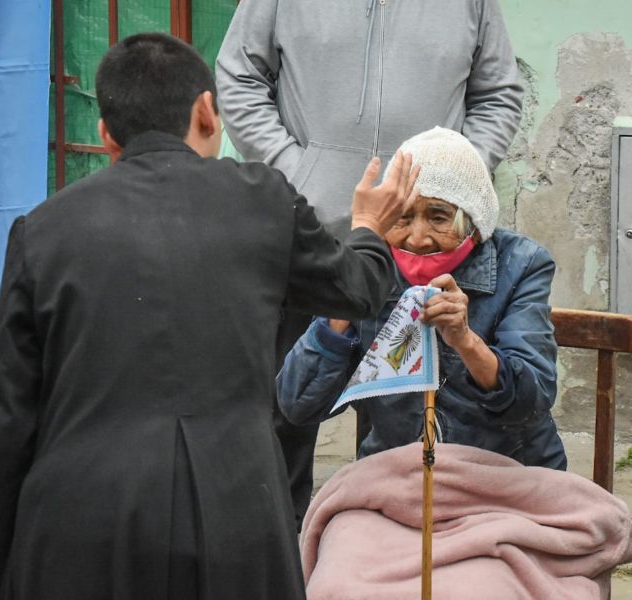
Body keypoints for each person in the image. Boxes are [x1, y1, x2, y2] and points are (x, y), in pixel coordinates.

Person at [0, 32, 416, 599]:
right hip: (234, 515)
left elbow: (4, 422)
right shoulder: (263, 199)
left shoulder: (41, 230)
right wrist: (368, 228)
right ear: (207, 112)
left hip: (77, 523)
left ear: (107, 135)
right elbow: (358, 291)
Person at [215, 0, 525, 524]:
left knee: (407, 414)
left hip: (423, 244)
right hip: (306, 232)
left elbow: (499, 93)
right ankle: (283, 560)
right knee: (286, 410)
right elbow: (239, 76)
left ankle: (388, 549)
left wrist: (449, 179)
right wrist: (295, 173)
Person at [278, 127, 566, 470]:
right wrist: (346, 296)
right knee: (341, 525)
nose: (417, 238)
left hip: (505, 473)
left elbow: (532, 401)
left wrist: (465, 341)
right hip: (399, 473)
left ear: (473, 219)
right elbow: (298, 404)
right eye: (403, 217)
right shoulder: (372, 265)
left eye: (439, 217)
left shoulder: (521, 264)